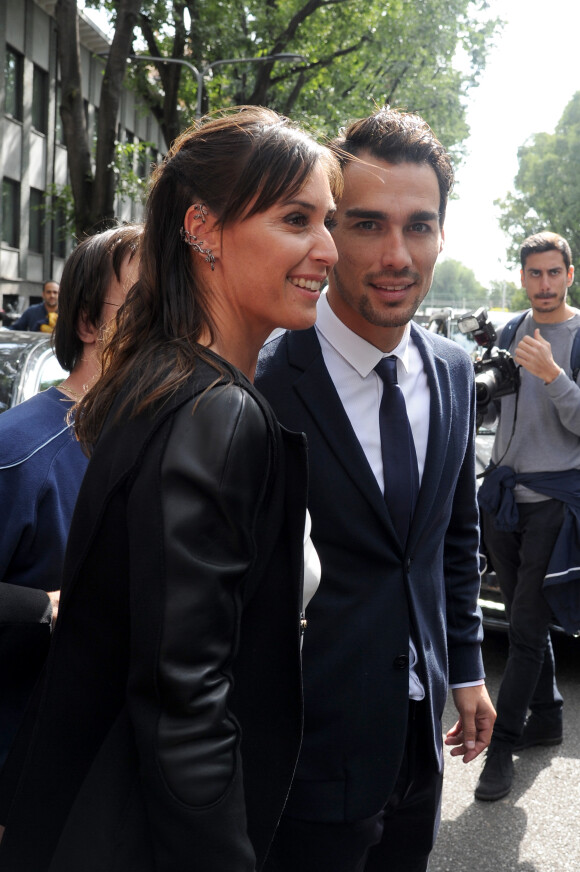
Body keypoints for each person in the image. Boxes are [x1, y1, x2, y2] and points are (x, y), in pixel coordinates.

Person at [0, 106, 340, 872]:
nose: (326, 248)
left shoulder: (156, 382)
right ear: (204, 228)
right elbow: (183, 697)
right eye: (296, 218)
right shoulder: (217, 412)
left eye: (328, 221)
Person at [255, 108, 496, 872]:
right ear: (328, 233)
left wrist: (466, 670)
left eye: (418, 226)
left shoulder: (454, 370)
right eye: (366, 225)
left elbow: (454, 539)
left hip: (422, 754)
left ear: (441, 235)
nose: (397, 255)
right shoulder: (262, 379)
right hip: (301, 764)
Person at [0, 224, 142, 770]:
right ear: (87, 322)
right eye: (147, 302)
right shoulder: (17, 452)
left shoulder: (178, 447)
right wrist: (47, 608)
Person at [475, 231, 580, 801]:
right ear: (522, 277)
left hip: (556, 505)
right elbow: (494, 405)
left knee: (524, 631)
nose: (543, 284)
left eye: (553, 273)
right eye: (534, 274)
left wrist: (554, 376)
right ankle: (549, 717)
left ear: (569, 273)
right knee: (520, 618)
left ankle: (501, 748)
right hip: (504, 498)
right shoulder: (513, 329)